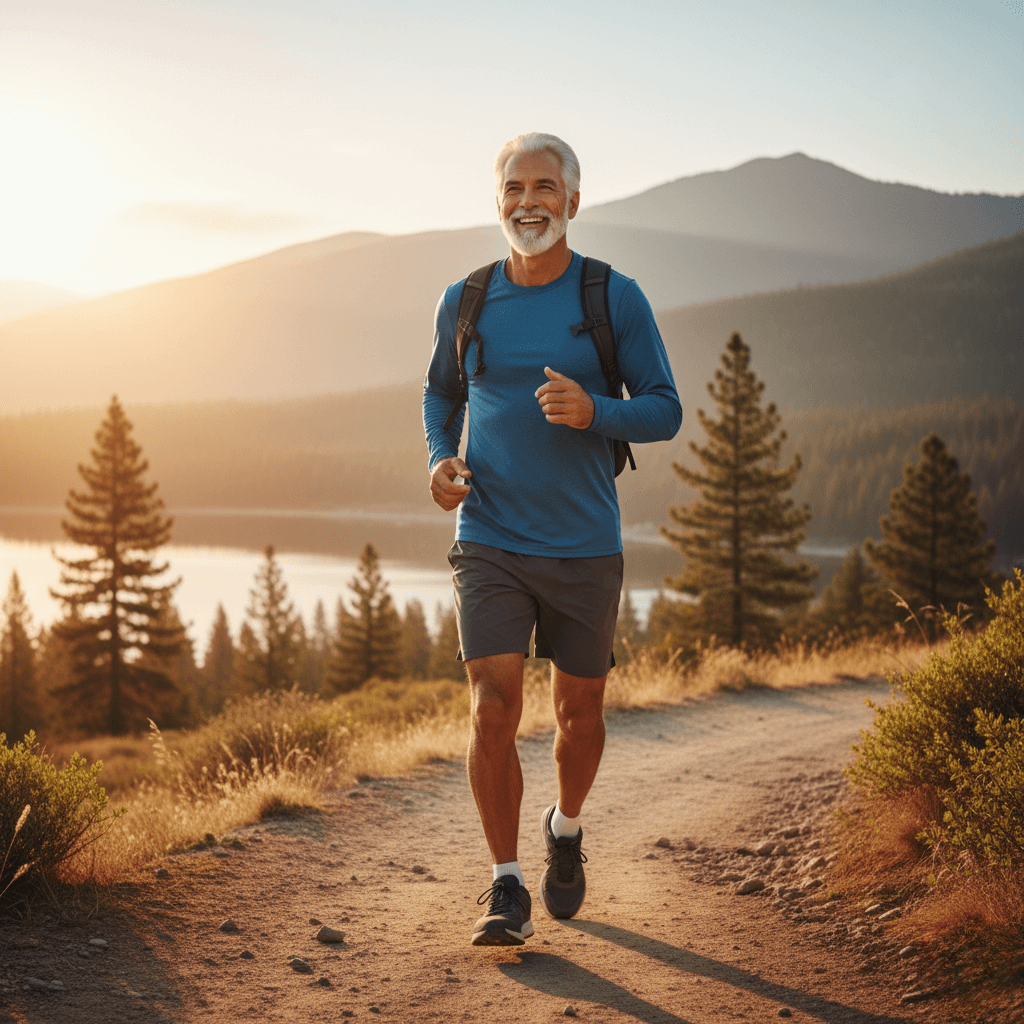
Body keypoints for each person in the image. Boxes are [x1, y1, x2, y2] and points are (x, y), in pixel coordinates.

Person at [422, 132, 681, 946]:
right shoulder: (465, 298)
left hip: (583, 544)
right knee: (492, 711)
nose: (526, 202)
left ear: (572, 201)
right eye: (513, 189)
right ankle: (504, 886)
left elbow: (665, 408)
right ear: (497, 201)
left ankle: (565, 830)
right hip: (489, 536)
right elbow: (440, 395)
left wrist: (595, 410)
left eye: (544, 187)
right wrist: (440, 460)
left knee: (580, 717)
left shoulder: (612, 297)